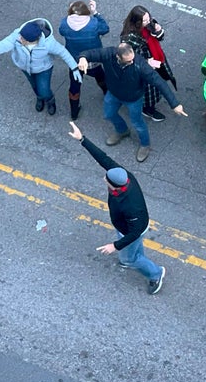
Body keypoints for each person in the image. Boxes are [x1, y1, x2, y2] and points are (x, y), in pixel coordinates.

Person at [68, 121, 165, 294]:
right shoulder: (123, 175)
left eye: (106, 179)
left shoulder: (130, 205)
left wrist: (115, 246)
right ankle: (131, 255)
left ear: (114, 186)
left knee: (130, 257)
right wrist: (82, 139)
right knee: (133, 250)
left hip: (133, 228)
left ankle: (155, 273)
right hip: (126, 225)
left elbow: (134, 232)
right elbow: (103, 158)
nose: (104, 178)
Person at [77, 43, 186, 162]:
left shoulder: (140, 65)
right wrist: (83, 58)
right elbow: (89, 53)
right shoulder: (108, 54)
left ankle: (145, 145)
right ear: (117, 57)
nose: (132, 62)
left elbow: (159, 82)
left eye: (133, 59)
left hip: (133, 99)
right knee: (109, 114)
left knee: (138, 123)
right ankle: (122, 131)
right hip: (114, 93)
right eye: (128, 61)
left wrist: (174, 104)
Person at [0, 19, 79, 116]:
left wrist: (74, 67)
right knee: (35, 86)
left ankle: (49, 100)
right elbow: (1, 45)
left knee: (44, 89)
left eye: (22, 39)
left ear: (33, 41)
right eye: (20, 36)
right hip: (25, 68)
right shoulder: (18, 35)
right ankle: (40, 98)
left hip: (43, 69)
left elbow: (63, 52)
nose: (19, 39)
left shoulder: (48, 44)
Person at [120, 6, 177, 122]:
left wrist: (158, 31)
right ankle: (147, 109)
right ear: (136, 22)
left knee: (158, 82)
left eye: (148, 18)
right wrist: (146, 62)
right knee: (148, 91)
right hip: (143, 67)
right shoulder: (128, 37)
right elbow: (127, 57)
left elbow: (159, 37)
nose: (148, 22)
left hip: (156, 59)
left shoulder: (149, 24)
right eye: (144, 21)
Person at [59, 0, 110, 119]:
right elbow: (105, 28)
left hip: (74, 60)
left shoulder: (65, 24)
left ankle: (74, 111)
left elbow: (61, 31)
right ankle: (107, 93)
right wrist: (95, 13)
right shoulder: (93, 23)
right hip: (93, 58)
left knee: (74, 85)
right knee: (100, 75)